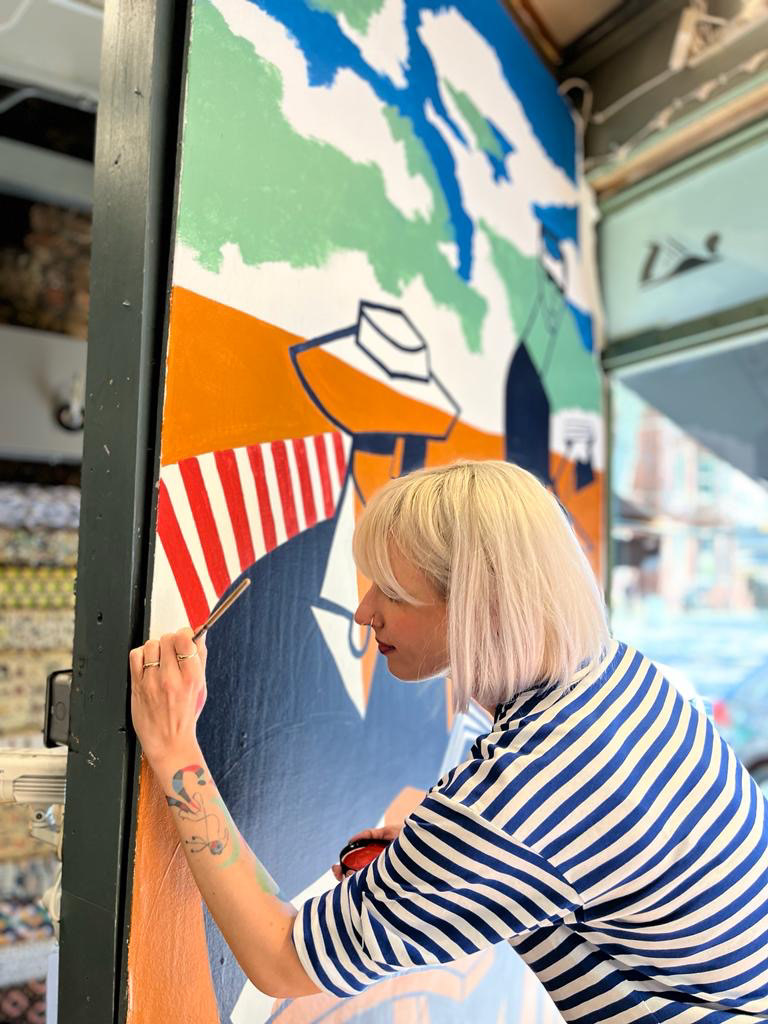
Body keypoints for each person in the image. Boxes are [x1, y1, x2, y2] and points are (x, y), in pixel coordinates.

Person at [130, 460, 768, 1022]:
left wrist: (175, 748)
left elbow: (280, 959)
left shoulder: (525, 791)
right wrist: (450, 862)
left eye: (394, 593)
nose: (364, 612)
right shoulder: (620, 677)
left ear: (481, 606)